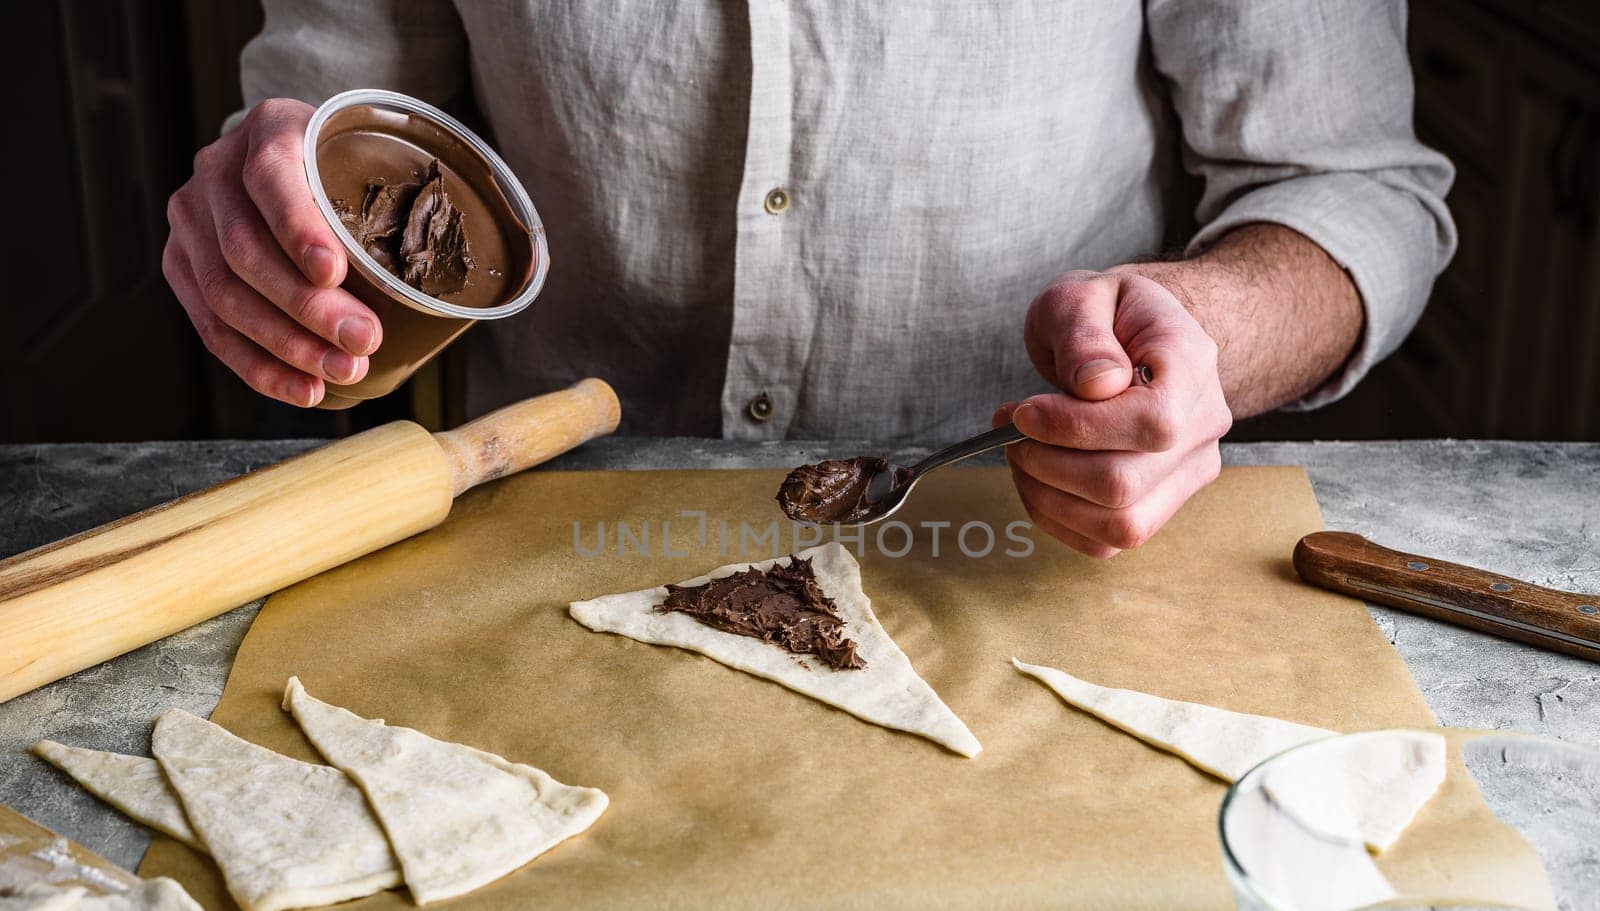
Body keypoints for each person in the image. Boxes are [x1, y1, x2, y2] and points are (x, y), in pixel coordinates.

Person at [162, 1, 1453, 558]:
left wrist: (1203, 334)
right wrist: (269, 215)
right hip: (544, 536)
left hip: (1026, 547)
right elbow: (333, 112)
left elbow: (1355, 191)